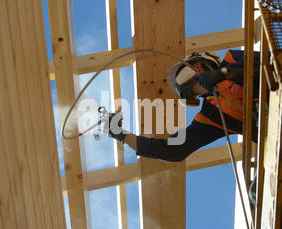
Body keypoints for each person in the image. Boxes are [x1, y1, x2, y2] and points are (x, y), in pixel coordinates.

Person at [106, 49, 261, 163]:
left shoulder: (232, 58)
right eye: (188, 87)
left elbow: (266, 63)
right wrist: (122, 135)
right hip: (272, 134)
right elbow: (173, 149)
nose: (198, 74)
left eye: (188, 73)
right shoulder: (212, 116)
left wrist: (225, 74)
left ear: (203, 64)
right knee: (257, 193)